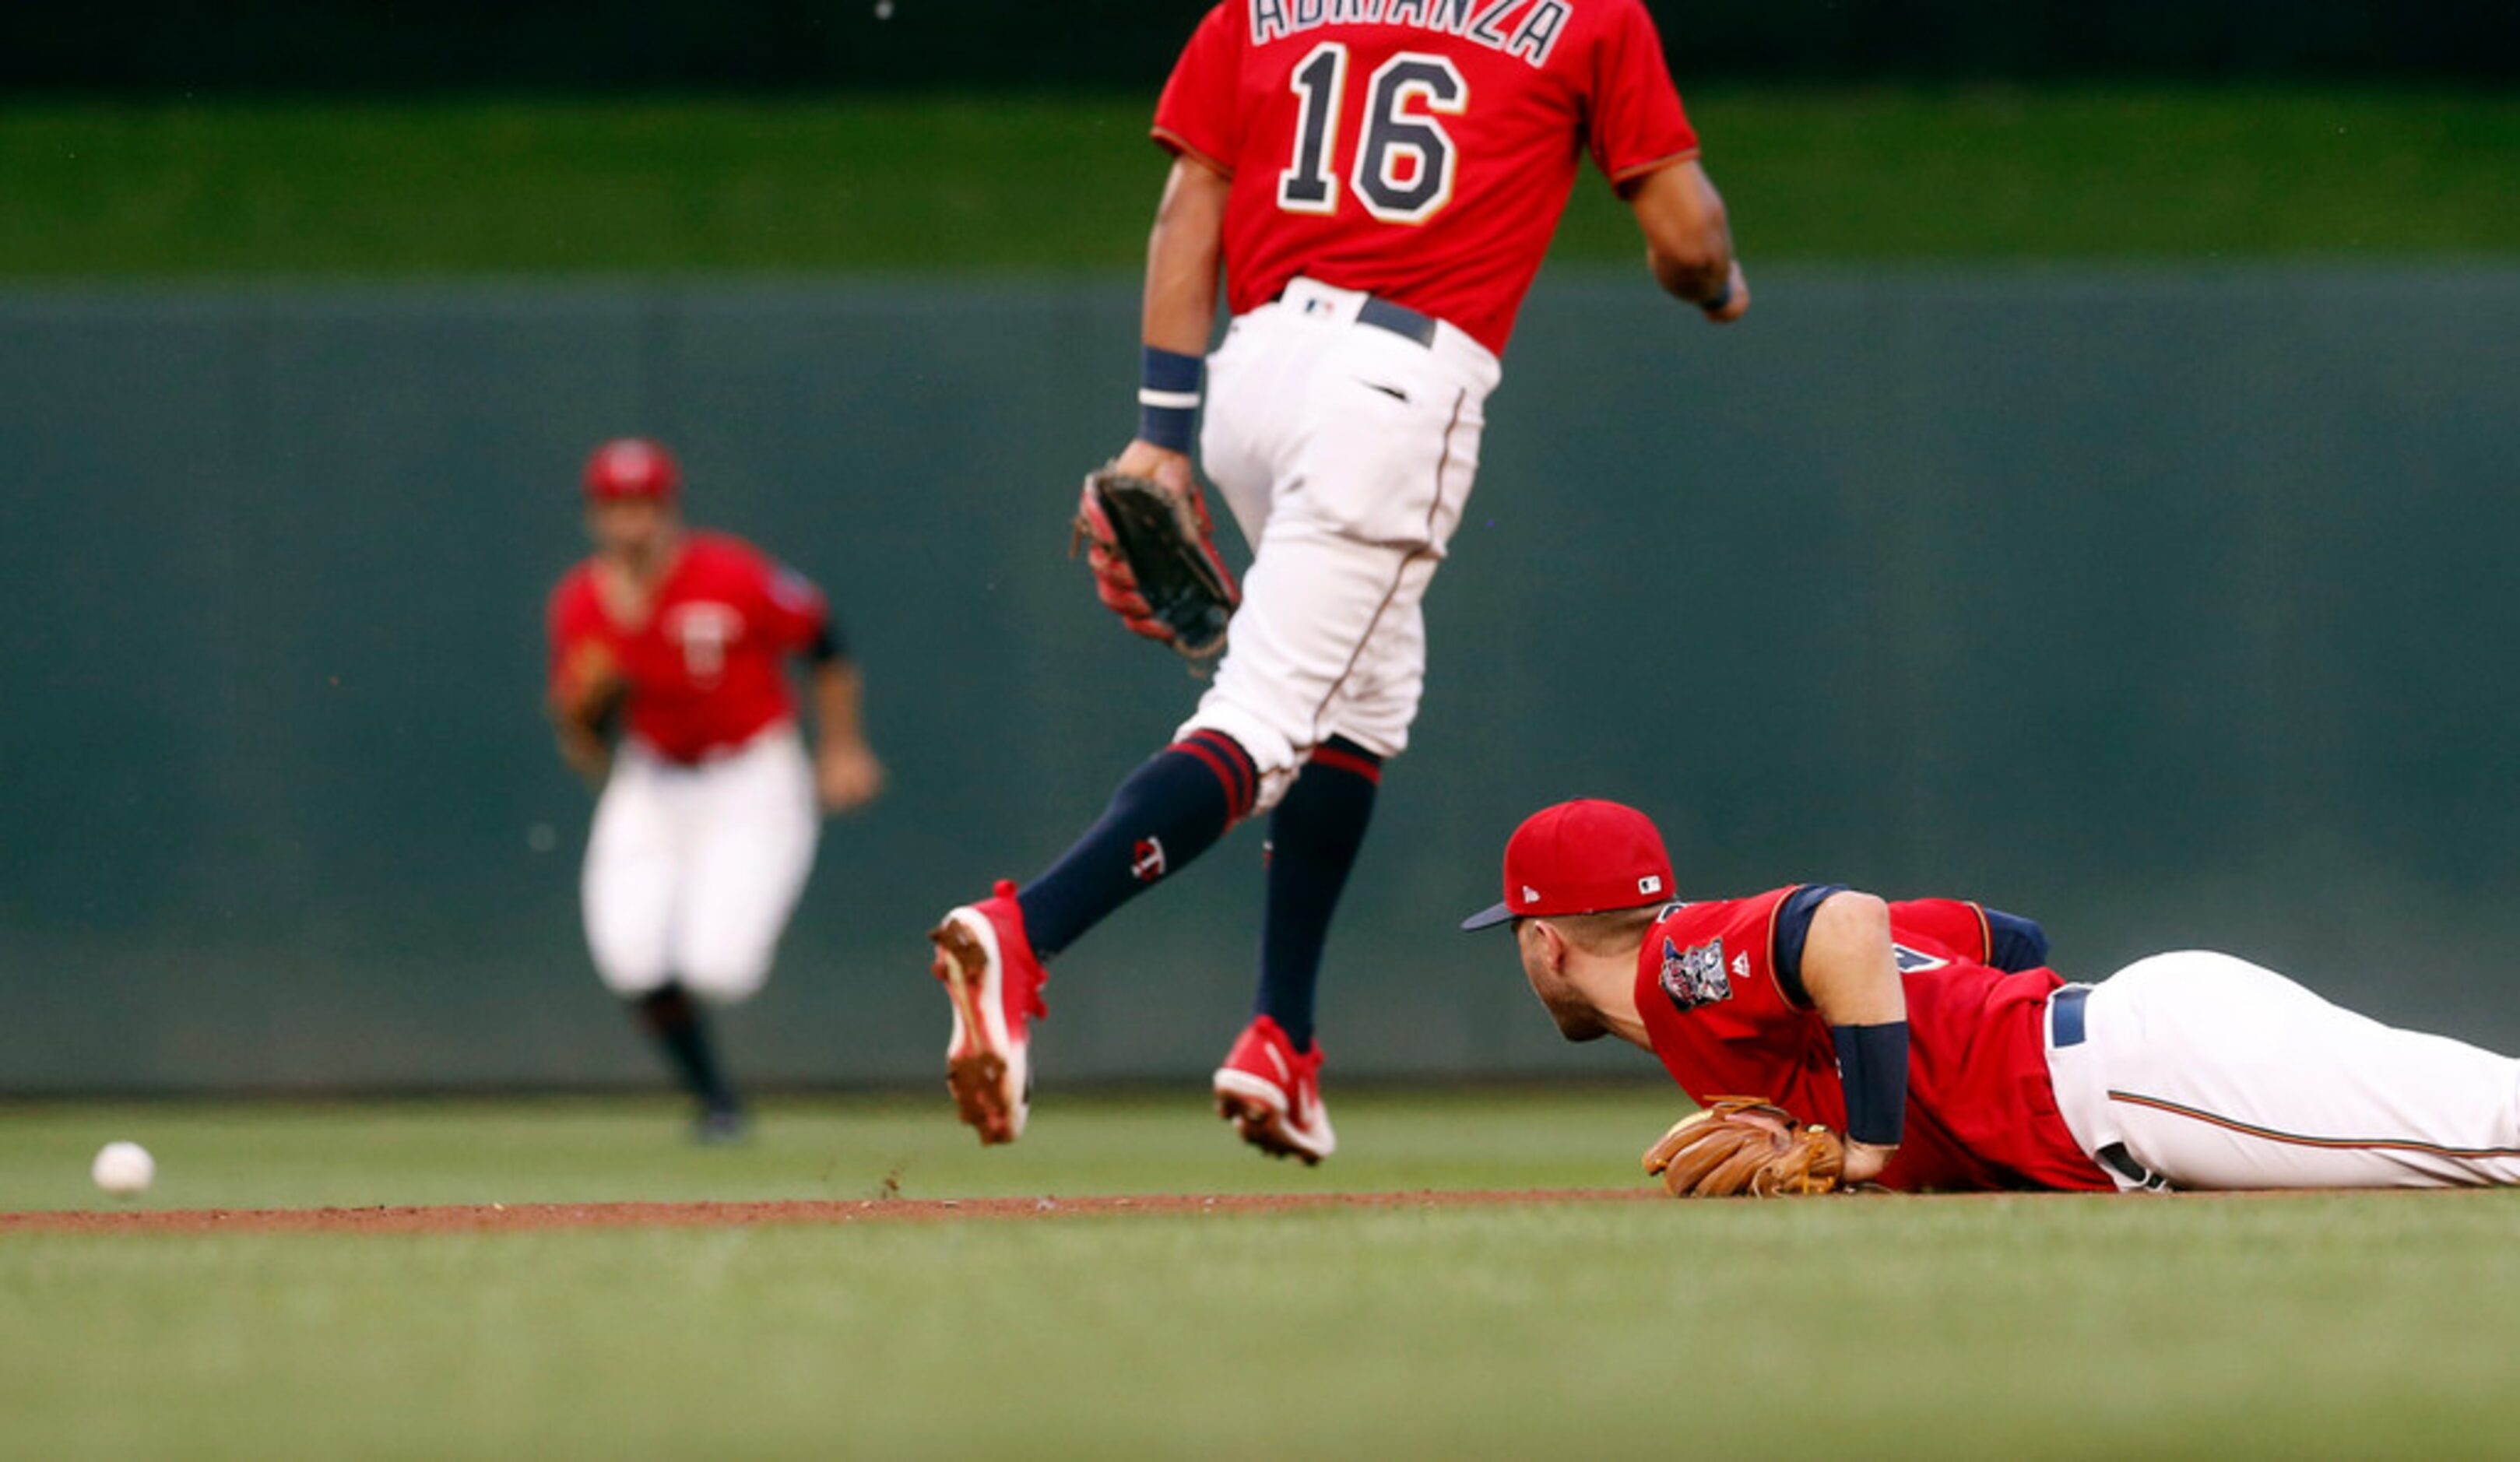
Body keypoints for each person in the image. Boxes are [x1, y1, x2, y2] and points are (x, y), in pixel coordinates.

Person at [924, 0, 1750, 1159]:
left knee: (1363, 698)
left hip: (1256, 369)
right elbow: (1685, 239)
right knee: (1263, 722)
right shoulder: (1589, 19)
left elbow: (1188, 206)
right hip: (1396, 388)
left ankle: (1283, 1040)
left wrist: (1161, 433)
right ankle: (1026, 932)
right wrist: (1717, 287)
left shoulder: (1257, 12)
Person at [1464, 798, 2520, 1192]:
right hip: (2142, 1036)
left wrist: (1869, 1141)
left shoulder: (1678, 963)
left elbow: (1843, 923)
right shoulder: (1724, 1005)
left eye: (1515, 935)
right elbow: (2006, 941)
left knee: (2496, 1135)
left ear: (1545, 941)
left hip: (2137, 1075)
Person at [546, 438, 884, 1140]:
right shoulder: (579, 603)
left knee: (718, 967)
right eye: (615, 507)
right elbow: (583, 751)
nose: (629, 523)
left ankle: (719, 1102)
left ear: (668, 509)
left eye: (642, 505)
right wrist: (588, 708)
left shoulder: (729, 572)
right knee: (631, 954)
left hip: (750, 773)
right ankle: (718, 1103)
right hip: (653, 776)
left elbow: (822, 638)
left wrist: (843, 745)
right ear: (593, 516)